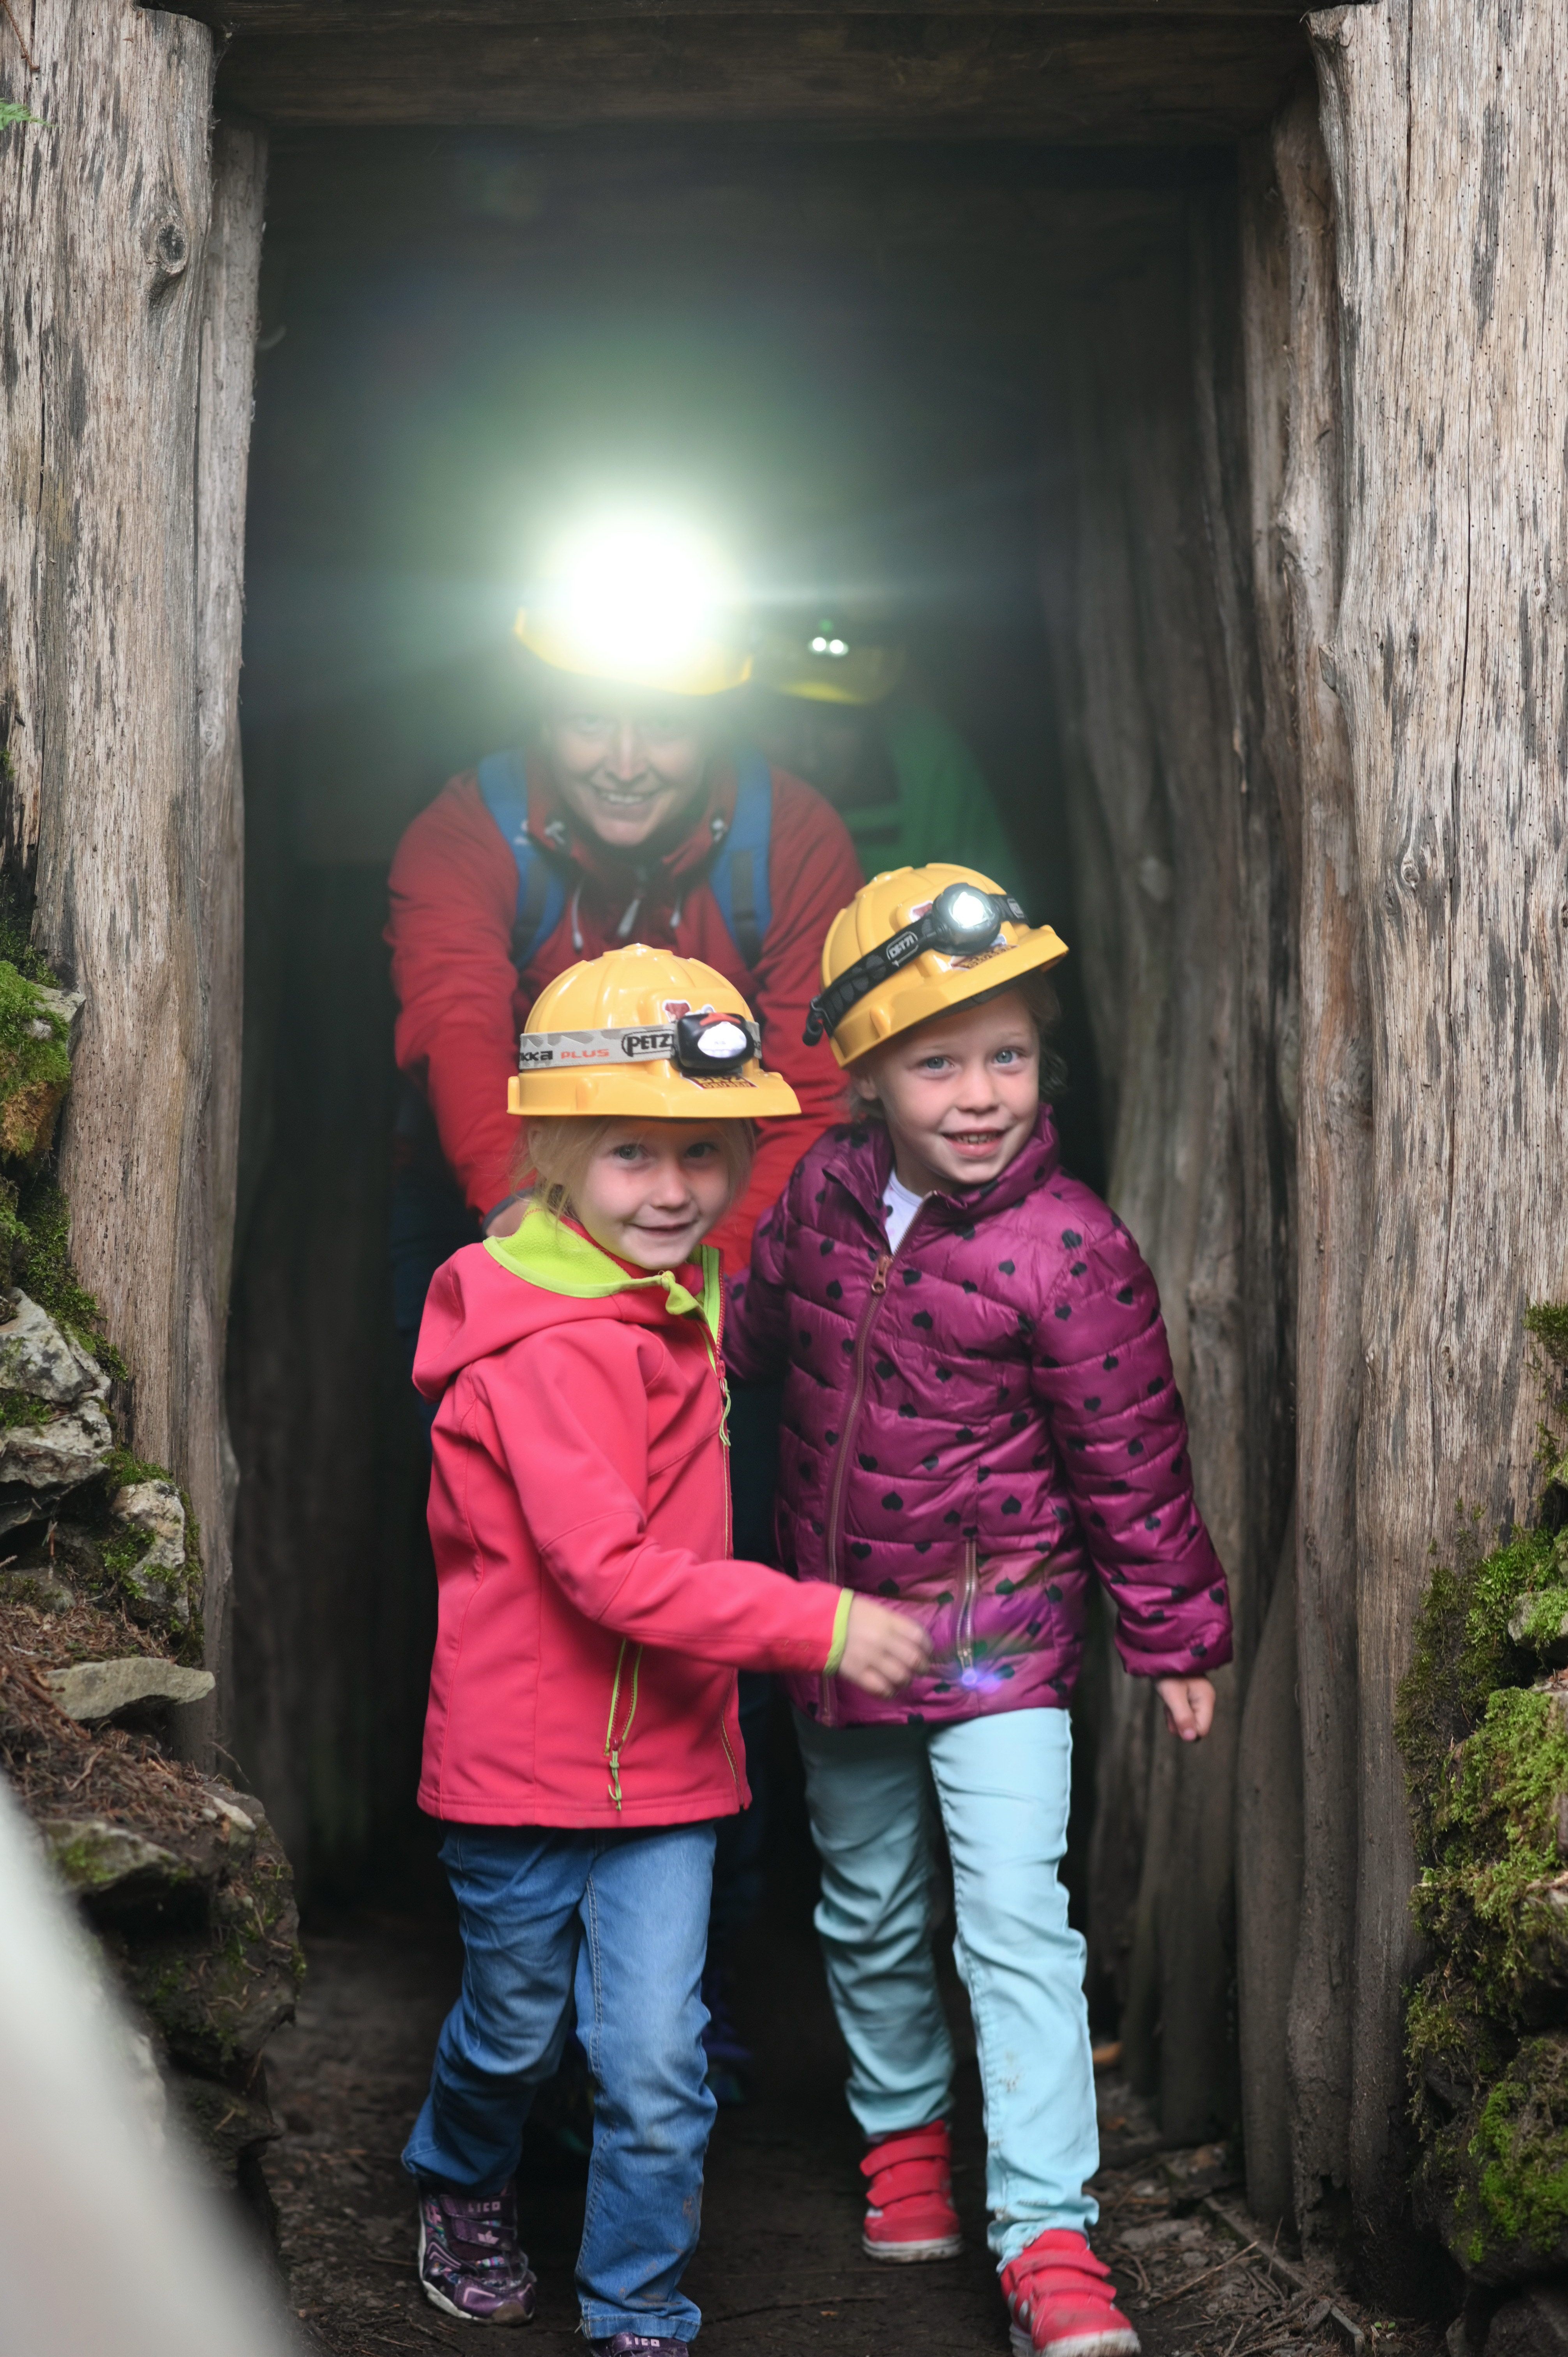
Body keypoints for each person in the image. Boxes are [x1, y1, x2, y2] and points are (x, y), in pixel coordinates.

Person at [724, 864, 1233, 2357]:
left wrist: (1173, 1628)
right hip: (836, 1628)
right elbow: (755, 1325)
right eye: (936, 1060)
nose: (977, 1093)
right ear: (864, 1070)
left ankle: (1048, 2236)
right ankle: (900, 2138)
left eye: (1005, 1054)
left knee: (1014, 1918)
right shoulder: (819, 1189)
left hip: (997, 1638)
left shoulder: (1066, 1246)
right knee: (869, 1904)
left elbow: (1131, 1453)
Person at [401, 943, 929, 2350]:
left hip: (671, 1776)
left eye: (704, 1151)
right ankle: (459, 2173)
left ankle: (638, 2301)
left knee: (654, 2060)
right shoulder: (547, 1344)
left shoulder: (671, 1296)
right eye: (631, 1151)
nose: (675, 1186)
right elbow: (608, 1573)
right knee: (513, 2032)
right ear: (556, 1150)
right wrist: (816, 1619)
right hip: (519, 1772)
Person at [387, 522, 863, 1325]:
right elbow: (455, 1021)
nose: (625, 761)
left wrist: (703, 1291)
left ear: (715, 718)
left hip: (713, 1218)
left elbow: (810, 1095)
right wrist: (534, 1235)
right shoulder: (466, 834)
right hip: (498, 1199)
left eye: (664, 725)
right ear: (541, 709)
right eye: (588, 720)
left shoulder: (793, 840)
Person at [750, 616, 1017, 882]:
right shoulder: (720, 770)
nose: (810, 757)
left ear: (874, 713)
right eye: (779, 721)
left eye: (837, 717)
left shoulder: (928, 761)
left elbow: (1001, 906)